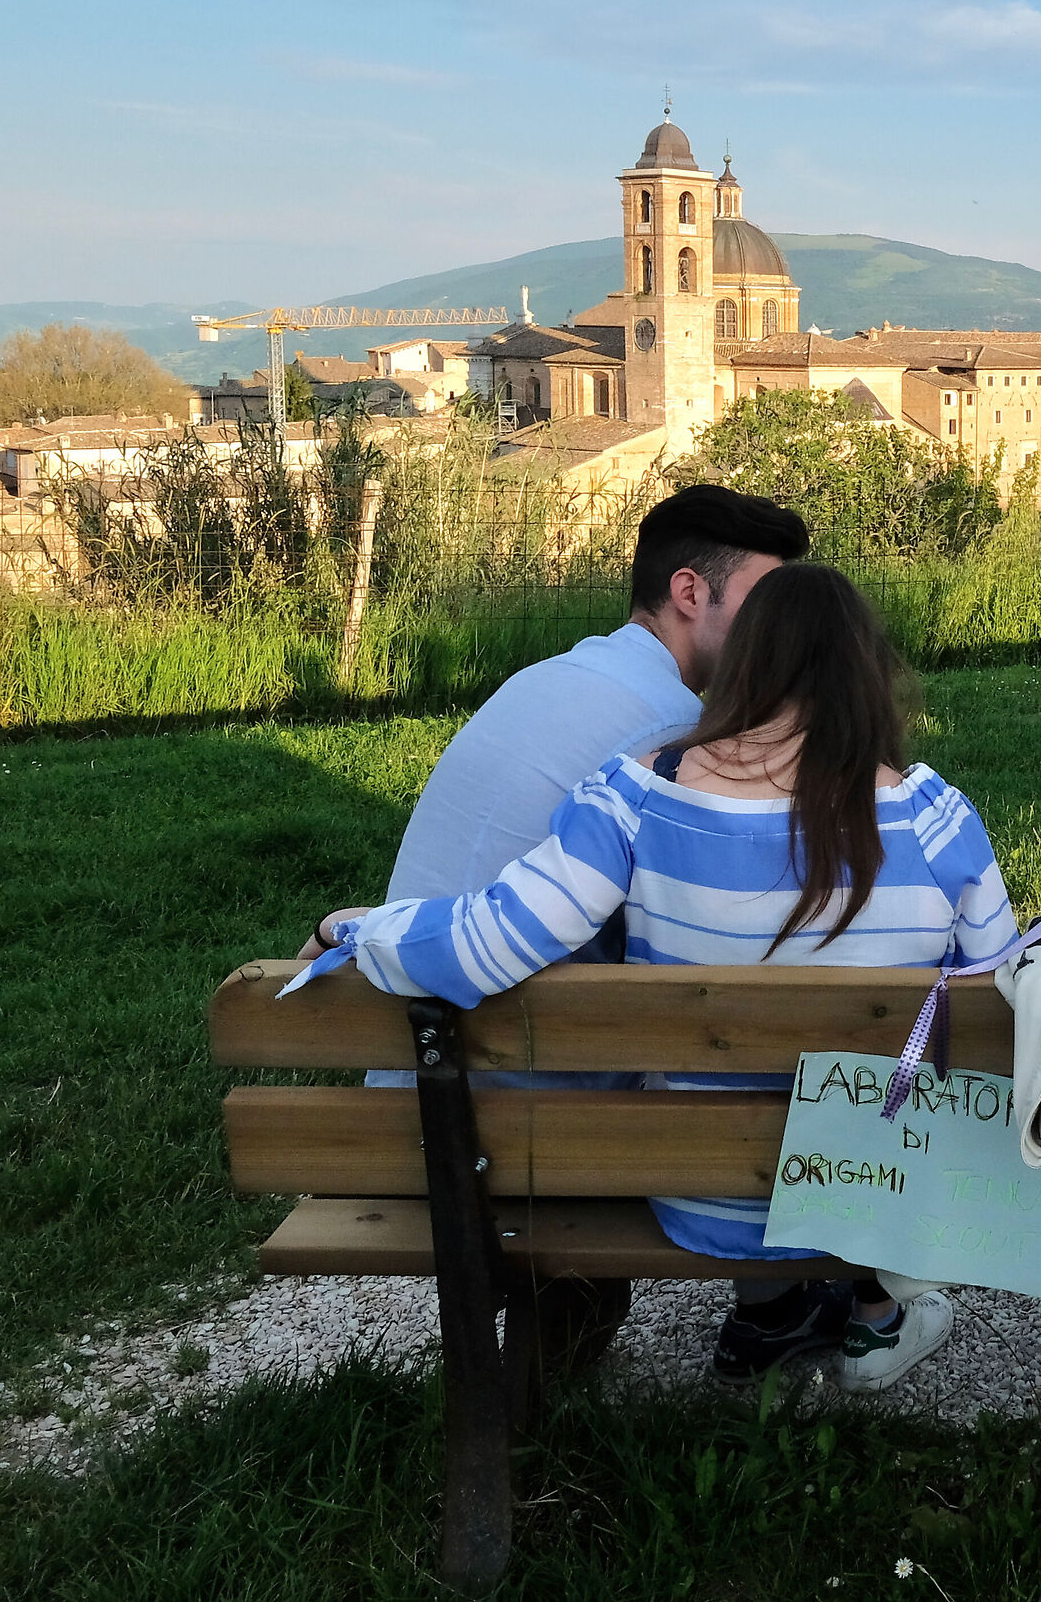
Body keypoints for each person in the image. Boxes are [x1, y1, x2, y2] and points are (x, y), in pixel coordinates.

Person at [300, 563, 1019, 1392]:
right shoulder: (939, 821)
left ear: (744, 663)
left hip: (698, 1194)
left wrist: (356, 927)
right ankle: (874, 1313)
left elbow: (488, 943)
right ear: (869, 676)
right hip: (877, 1196)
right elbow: (993, 1021)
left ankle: (791, 1309)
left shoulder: (637, 797)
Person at [323, 484, 809, 1380]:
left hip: (407, 1091)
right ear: (691, 592)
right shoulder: (675, 732)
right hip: (518, 1123)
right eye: (766, 600)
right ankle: (783, 1307)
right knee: (759, 1027)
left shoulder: (555, 675)